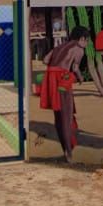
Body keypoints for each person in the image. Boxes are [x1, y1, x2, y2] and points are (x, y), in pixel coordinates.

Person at [40, 26, 89, 161]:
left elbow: (45, 60)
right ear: (82, 38)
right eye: (87, 40)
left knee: (58, 115)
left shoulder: (60, 47)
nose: (87, 43)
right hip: (63, 79)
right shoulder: (79, 49)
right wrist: (80, 77)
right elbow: (75, 67)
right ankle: (68, 153)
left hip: (51, 79)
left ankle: (66, 150)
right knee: (66, 116)